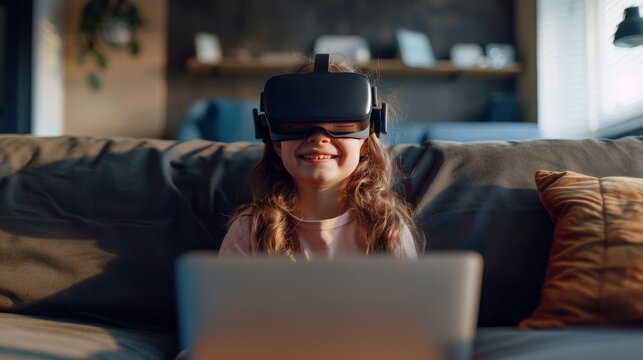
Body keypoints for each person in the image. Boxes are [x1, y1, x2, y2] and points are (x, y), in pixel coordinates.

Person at [218, 55, 425, 259]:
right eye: (299, 124)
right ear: (277, 144)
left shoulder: (387, 230)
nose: (318, 138)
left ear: (364, 144)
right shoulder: (249, 232)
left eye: (340, 123)